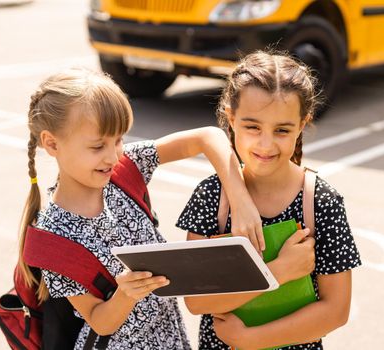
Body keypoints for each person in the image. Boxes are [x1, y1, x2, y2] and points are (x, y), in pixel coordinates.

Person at [17, 68, 264, 349]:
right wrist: (125, 294)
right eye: (98, 146)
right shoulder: (53, 238)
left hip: (171, 339)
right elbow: (99, 321)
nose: (112, 156)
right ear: (51, 143)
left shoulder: (123, 171)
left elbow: (207, 138)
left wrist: (240, 199)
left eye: (119, 140)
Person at [176, 50, 362, 349]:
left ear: (302, 124)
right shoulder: (213, 197)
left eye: (282, 130)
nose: (266, 144)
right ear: (231, 118)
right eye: (252, 127)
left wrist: (250, 339)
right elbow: (198, 301)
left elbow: (336, 311)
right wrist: (279, 271)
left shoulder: (321, 202)